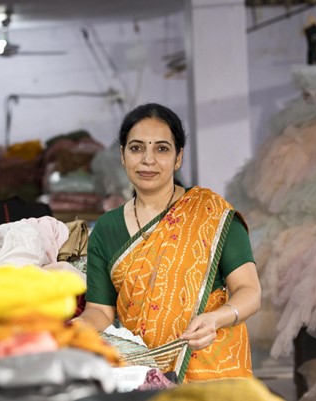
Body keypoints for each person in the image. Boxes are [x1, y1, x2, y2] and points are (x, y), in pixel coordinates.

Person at [74, 103, 262, 383]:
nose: (148, 160)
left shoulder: (211, 214)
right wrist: (76, 329)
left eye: (161, 149)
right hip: (142, 371)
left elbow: (249, 291)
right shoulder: (107, 228)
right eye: (137, 148)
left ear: (178, 157)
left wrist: (217, 318)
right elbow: (101, 310)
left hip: (212, 365)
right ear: (122, 156)